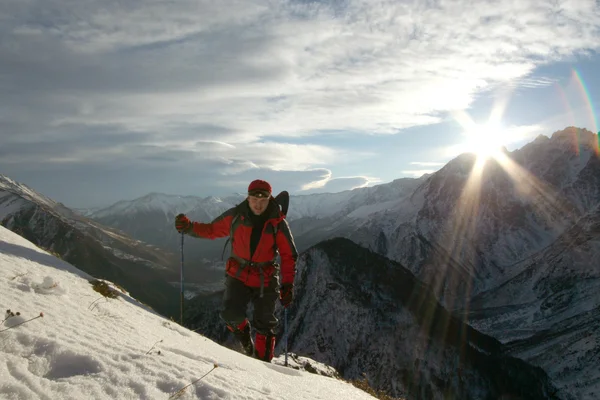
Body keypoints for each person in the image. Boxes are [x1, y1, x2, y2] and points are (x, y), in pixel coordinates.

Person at [174, 179, 298, 362]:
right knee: (230, 315)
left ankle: (264, 364)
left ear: (269, 199)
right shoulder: (235, 216)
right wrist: (189, 227)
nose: (258, 204)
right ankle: (247, 342)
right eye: (254, 199)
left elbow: (289, 256)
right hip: (238, 275)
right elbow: (211, 230)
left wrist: (287, 285)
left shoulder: (277, 224)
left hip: (265, 278)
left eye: (263, 200)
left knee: (264, 324)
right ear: (248, 198)